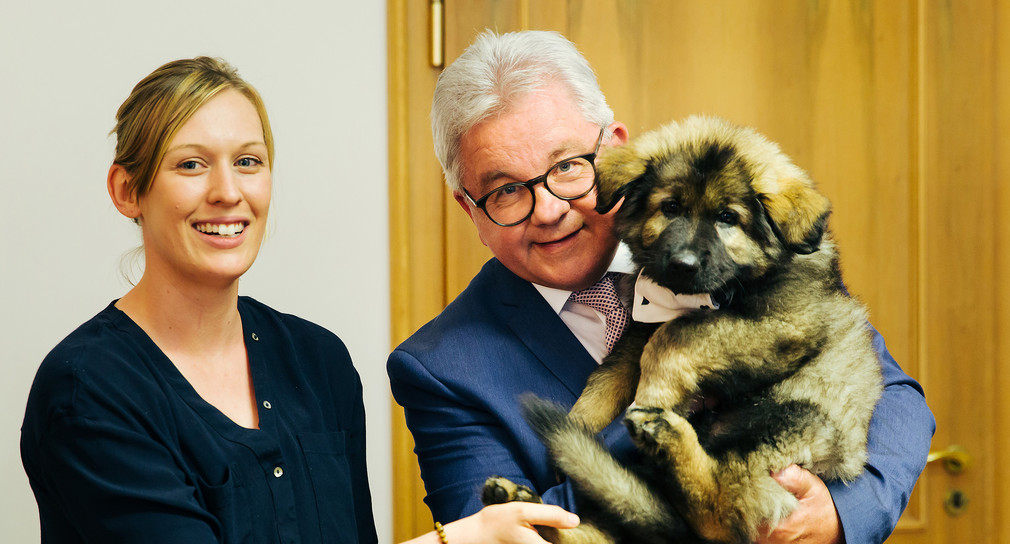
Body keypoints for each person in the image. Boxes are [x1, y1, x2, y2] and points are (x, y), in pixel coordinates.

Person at [387, 30, 936, 544]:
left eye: (568, 167)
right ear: (471, 209)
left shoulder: (754, 270)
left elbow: (899, 400)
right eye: (506, 190)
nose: (550, 211)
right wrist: (657, 417)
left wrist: (842, 513)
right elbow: (499, 531)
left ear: (614, 151)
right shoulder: (442, 369)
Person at [20, 56, 578, 544]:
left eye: (248, 161)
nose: (228, 191)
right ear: (126, 190)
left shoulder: (317, 361)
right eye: (191, 164)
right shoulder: (87, 390)